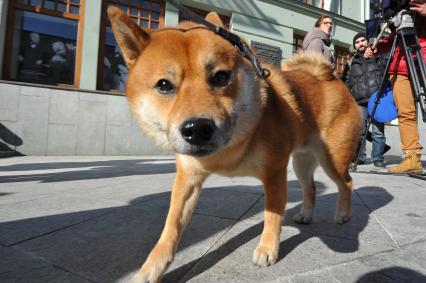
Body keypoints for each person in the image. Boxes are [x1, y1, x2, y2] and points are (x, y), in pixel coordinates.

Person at [365, 0, 425, 174]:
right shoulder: (397, 7)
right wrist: (376, 48)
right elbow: (394, 39)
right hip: (400, 65)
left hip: (422, 57)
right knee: (405, 112)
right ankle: (411, 158)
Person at [342, 33, 388, 167]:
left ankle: (377, 158)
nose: (361, 43)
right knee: (359, 131)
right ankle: (359, 157)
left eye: (363, 40)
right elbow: (347, 82)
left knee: (378, 131)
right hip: (359, 101)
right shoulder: (351, 63)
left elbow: (385, 70)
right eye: (357, 42)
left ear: (367, 41)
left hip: (377, 99)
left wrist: (377, 55)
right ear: (355, 45)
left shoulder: (377, 55)